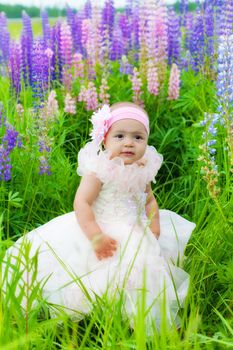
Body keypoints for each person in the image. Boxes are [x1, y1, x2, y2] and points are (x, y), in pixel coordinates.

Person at [3, 102, 196, 332]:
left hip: (134, 227)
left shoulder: (143, 167)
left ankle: (141, 319)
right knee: (99, 270)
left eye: (138, 137)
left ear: (146, 141)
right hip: (100, 226)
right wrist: (95, 236)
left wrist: (154, 224)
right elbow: (81, 203)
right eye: (120, 136)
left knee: (144, 269)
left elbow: (149, 199)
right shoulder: (99, 170)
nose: (129, 143)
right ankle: (96, 314)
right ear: (105, 139)